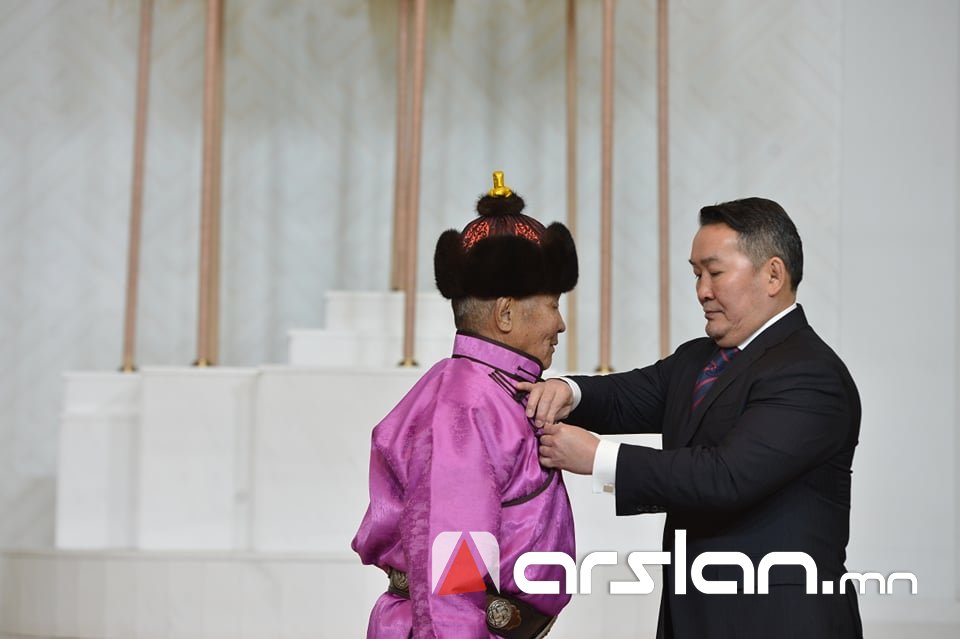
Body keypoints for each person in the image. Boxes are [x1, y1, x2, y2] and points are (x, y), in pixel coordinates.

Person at [520, 197, 863, 638]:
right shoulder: (699, 358)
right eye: (696, 274)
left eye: (714, 273)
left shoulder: (810, 373)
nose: (702, 290)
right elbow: (626, 396)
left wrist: (599, 458)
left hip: (778, 621)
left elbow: (726, 476)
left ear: (773, 275)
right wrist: (567, 391)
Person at [352, 172, 579, 639]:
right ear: (506, 313)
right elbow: (452, 573)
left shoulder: (491, 390)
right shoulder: (467, 407)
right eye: (553, 305)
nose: (560, 324)